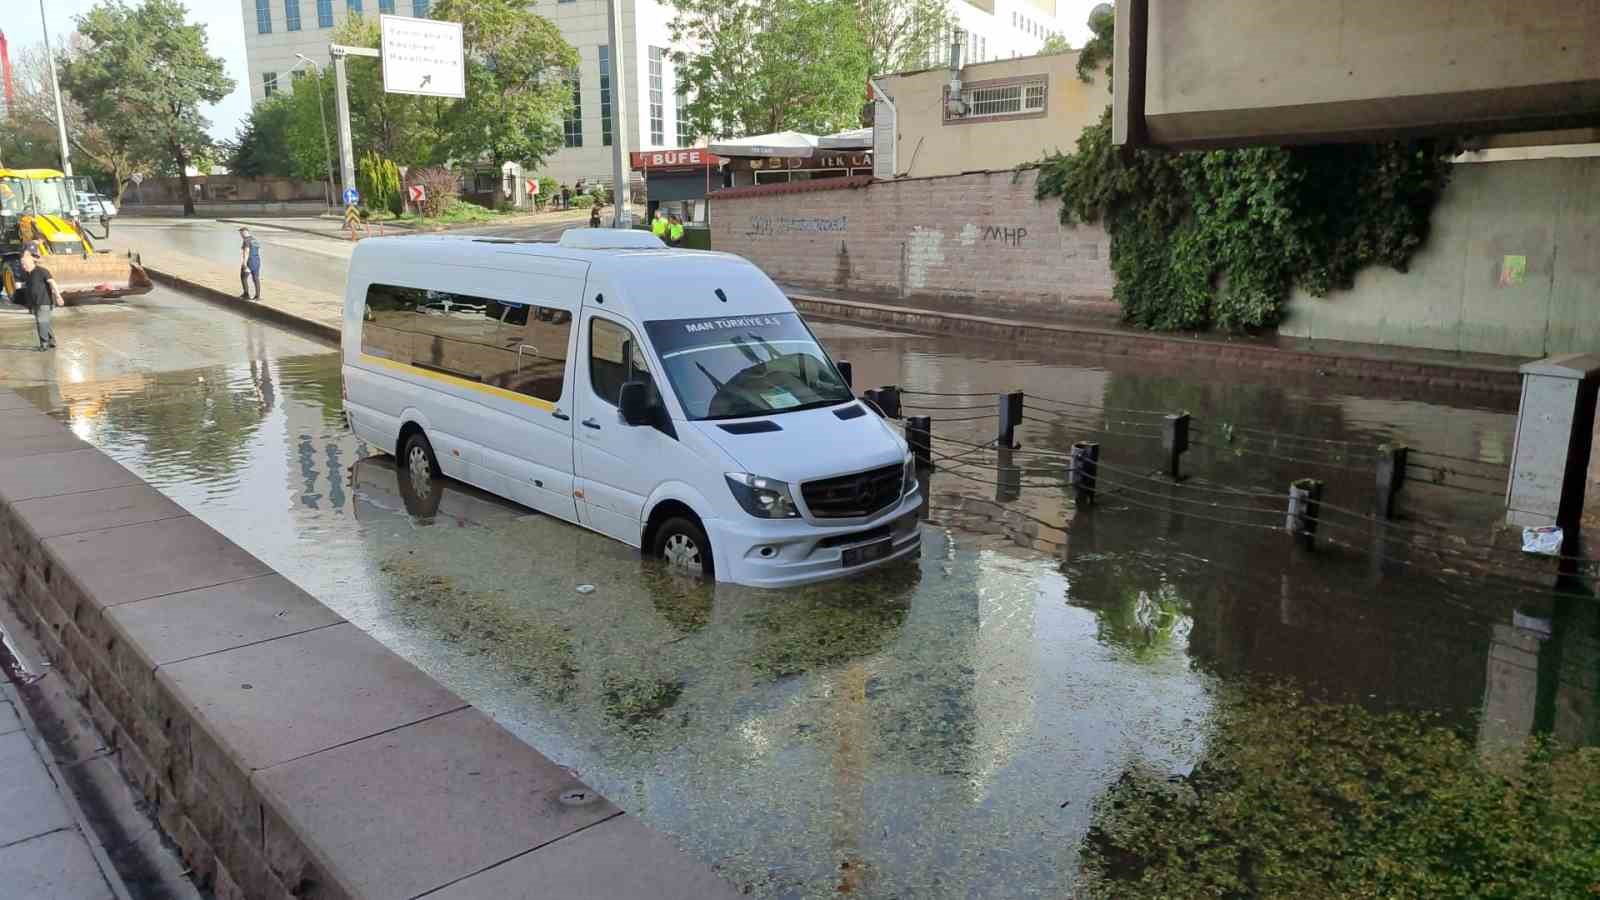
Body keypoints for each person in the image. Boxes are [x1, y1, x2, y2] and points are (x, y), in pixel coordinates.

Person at [19, 245, 64, 352]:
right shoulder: (26, 274)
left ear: (31, 262)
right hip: (34, 303)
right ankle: (52, 341)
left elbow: (52, 282)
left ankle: (44, 343)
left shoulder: (42, 271)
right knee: (44, 322)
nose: (23, 266)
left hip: (45, 301)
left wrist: (58, 296)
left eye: (24, 264)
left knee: (41, 322)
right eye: (22, 264)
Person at [238, 227, 261, 301]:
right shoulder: (255, 240)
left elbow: (246, 251)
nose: (241, 235)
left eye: (241, 233)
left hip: (249, 261)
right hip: (257, 260)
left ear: (244, 232)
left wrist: (244, 263)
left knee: (243, 276)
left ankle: (246, 294)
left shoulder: (246, 240)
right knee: (256, 278)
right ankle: (257, 296)